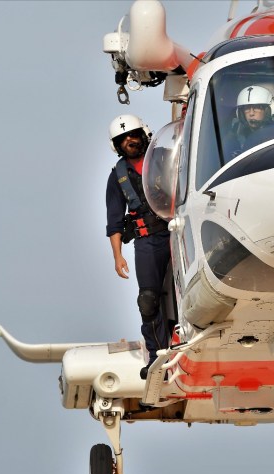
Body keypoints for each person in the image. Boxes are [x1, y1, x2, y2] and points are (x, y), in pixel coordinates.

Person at [105, 114, 171, 380]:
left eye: (133, 134)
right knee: (147, 300)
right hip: (147, 241)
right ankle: (158, 357)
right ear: (117, 145)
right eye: (123, 139)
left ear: (144, 134)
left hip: (178, 230)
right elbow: (114, 221)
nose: (129, 140)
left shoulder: (167, 157)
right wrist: (117, 256)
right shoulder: (117, 177)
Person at [223, 85, 274, 159]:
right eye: (247, 108)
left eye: (257, 107)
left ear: (267, 110)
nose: (251, 113)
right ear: (241, 113)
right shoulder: (236, 136)